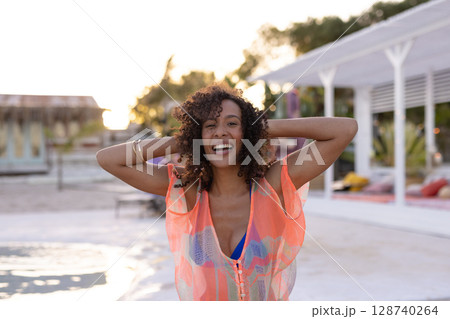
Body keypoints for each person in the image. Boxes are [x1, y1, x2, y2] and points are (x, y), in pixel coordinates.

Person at [96, 83, 358, 301]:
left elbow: (344, 130)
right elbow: (108, 158)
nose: (220, 132)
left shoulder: (273, 184)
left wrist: (258, 128)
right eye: (209, 125)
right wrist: (186, 140)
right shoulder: (187, 192)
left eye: (232, 123)